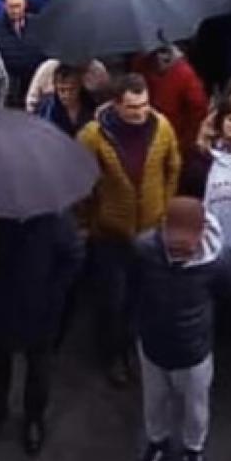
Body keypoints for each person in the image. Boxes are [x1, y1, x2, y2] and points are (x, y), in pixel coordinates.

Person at [77, 73, 183, 387]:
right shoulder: (93, 136)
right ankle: (110, 355)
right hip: (110, 233)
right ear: (116, 105)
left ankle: (132, 349)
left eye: (145, 105)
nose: (140, 113)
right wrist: (89, 221)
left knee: (141, 297)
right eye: (132, 107)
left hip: (150, 230)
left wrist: (165, 208)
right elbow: (81, 183)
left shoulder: (161, 126)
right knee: (112, 299)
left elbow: (173, 166)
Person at [132, 196, 231, 461]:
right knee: (154, 400)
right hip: (153, 341)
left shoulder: (218, 260)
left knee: (195, 407)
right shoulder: (144, 250)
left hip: (194, 349)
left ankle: (193, 451)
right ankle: (156, 442)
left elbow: (226, 291)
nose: (178, 250)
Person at [0, 211, 84, 457]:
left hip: (39, 310)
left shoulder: (56, 220)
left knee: (39, 370)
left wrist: (51, 293)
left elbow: (73, 257)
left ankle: (33, 419)